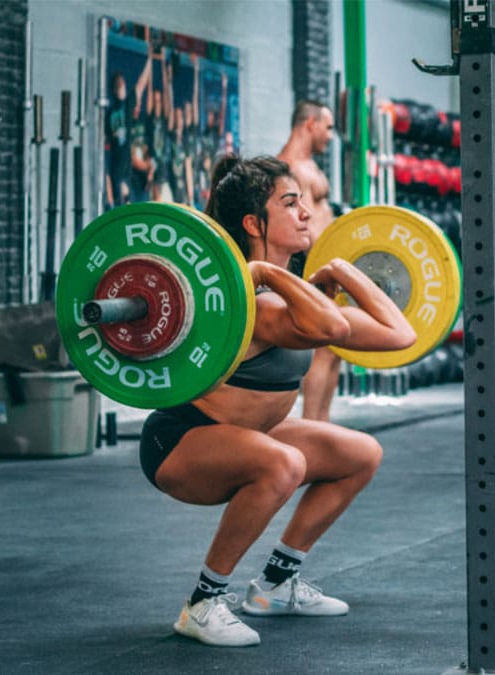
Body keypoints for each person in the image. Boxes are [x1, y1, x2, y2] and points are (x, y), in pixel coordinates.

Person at [138, 155, 417, 646]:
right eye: (290, 203)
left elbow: (401, 334)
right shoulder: (258, 304)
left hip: (252, 435)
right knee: (285, 463)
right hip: (179, 441)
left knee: (361, 454)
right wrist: (266, 272)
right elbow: (331, 327)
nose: (306, 213)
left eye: (304, 203)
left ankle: (274, 585)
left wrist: (341, 270)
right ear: (253, 222)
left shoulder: (288, 298)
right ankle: (203, 604)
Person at [278, 100, 339, 421]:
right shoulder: (288, 168)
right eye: (328, 127)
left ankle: (322, 424)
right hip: (312, 264)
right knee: (323, 348)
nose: (331, 136)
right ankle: (315, 426)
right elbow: (302, 226)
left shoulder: (309, 166)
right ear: (310, 123)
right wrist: (328, 268)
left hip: (326, 262)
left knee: (335, 348)